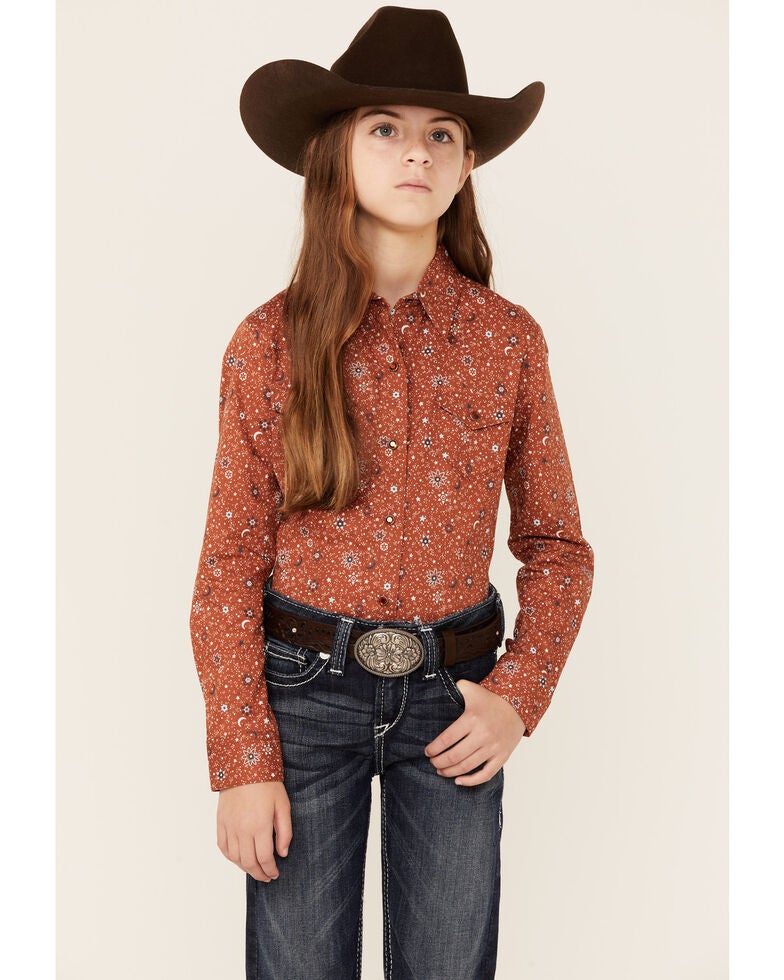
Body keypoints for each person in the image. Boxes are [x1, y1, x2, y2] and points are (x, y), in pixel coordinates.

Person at [189, 6, 595, 978]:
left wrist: (517, 696)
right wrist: (243, 759)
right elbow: (229, 563)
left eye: (441, 134)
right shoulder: (269, 344)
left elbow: (557, 545)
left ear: (465, 166)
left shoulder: (506, 340)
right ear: (335, 152)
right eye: (385, 128)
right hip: (302, 698)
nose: (416, 152)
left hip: (453, 704)